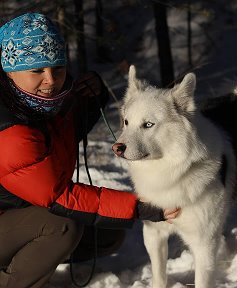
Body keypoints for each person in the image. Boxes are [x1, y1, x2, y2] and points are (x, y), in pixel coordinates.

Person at [0, 13, 180, 288]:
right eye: (37, 70)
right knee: (61, 226)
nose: (51, 80)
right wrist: (142, 206)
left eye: (57, 68)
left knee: (108, 234)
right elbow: (58, 195)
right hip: (18, 215)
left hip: (16, 214)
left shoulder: (37, 104)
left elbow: (58, 140)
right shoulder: (9, 128)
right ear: (9, 70)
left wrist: (91, 98)